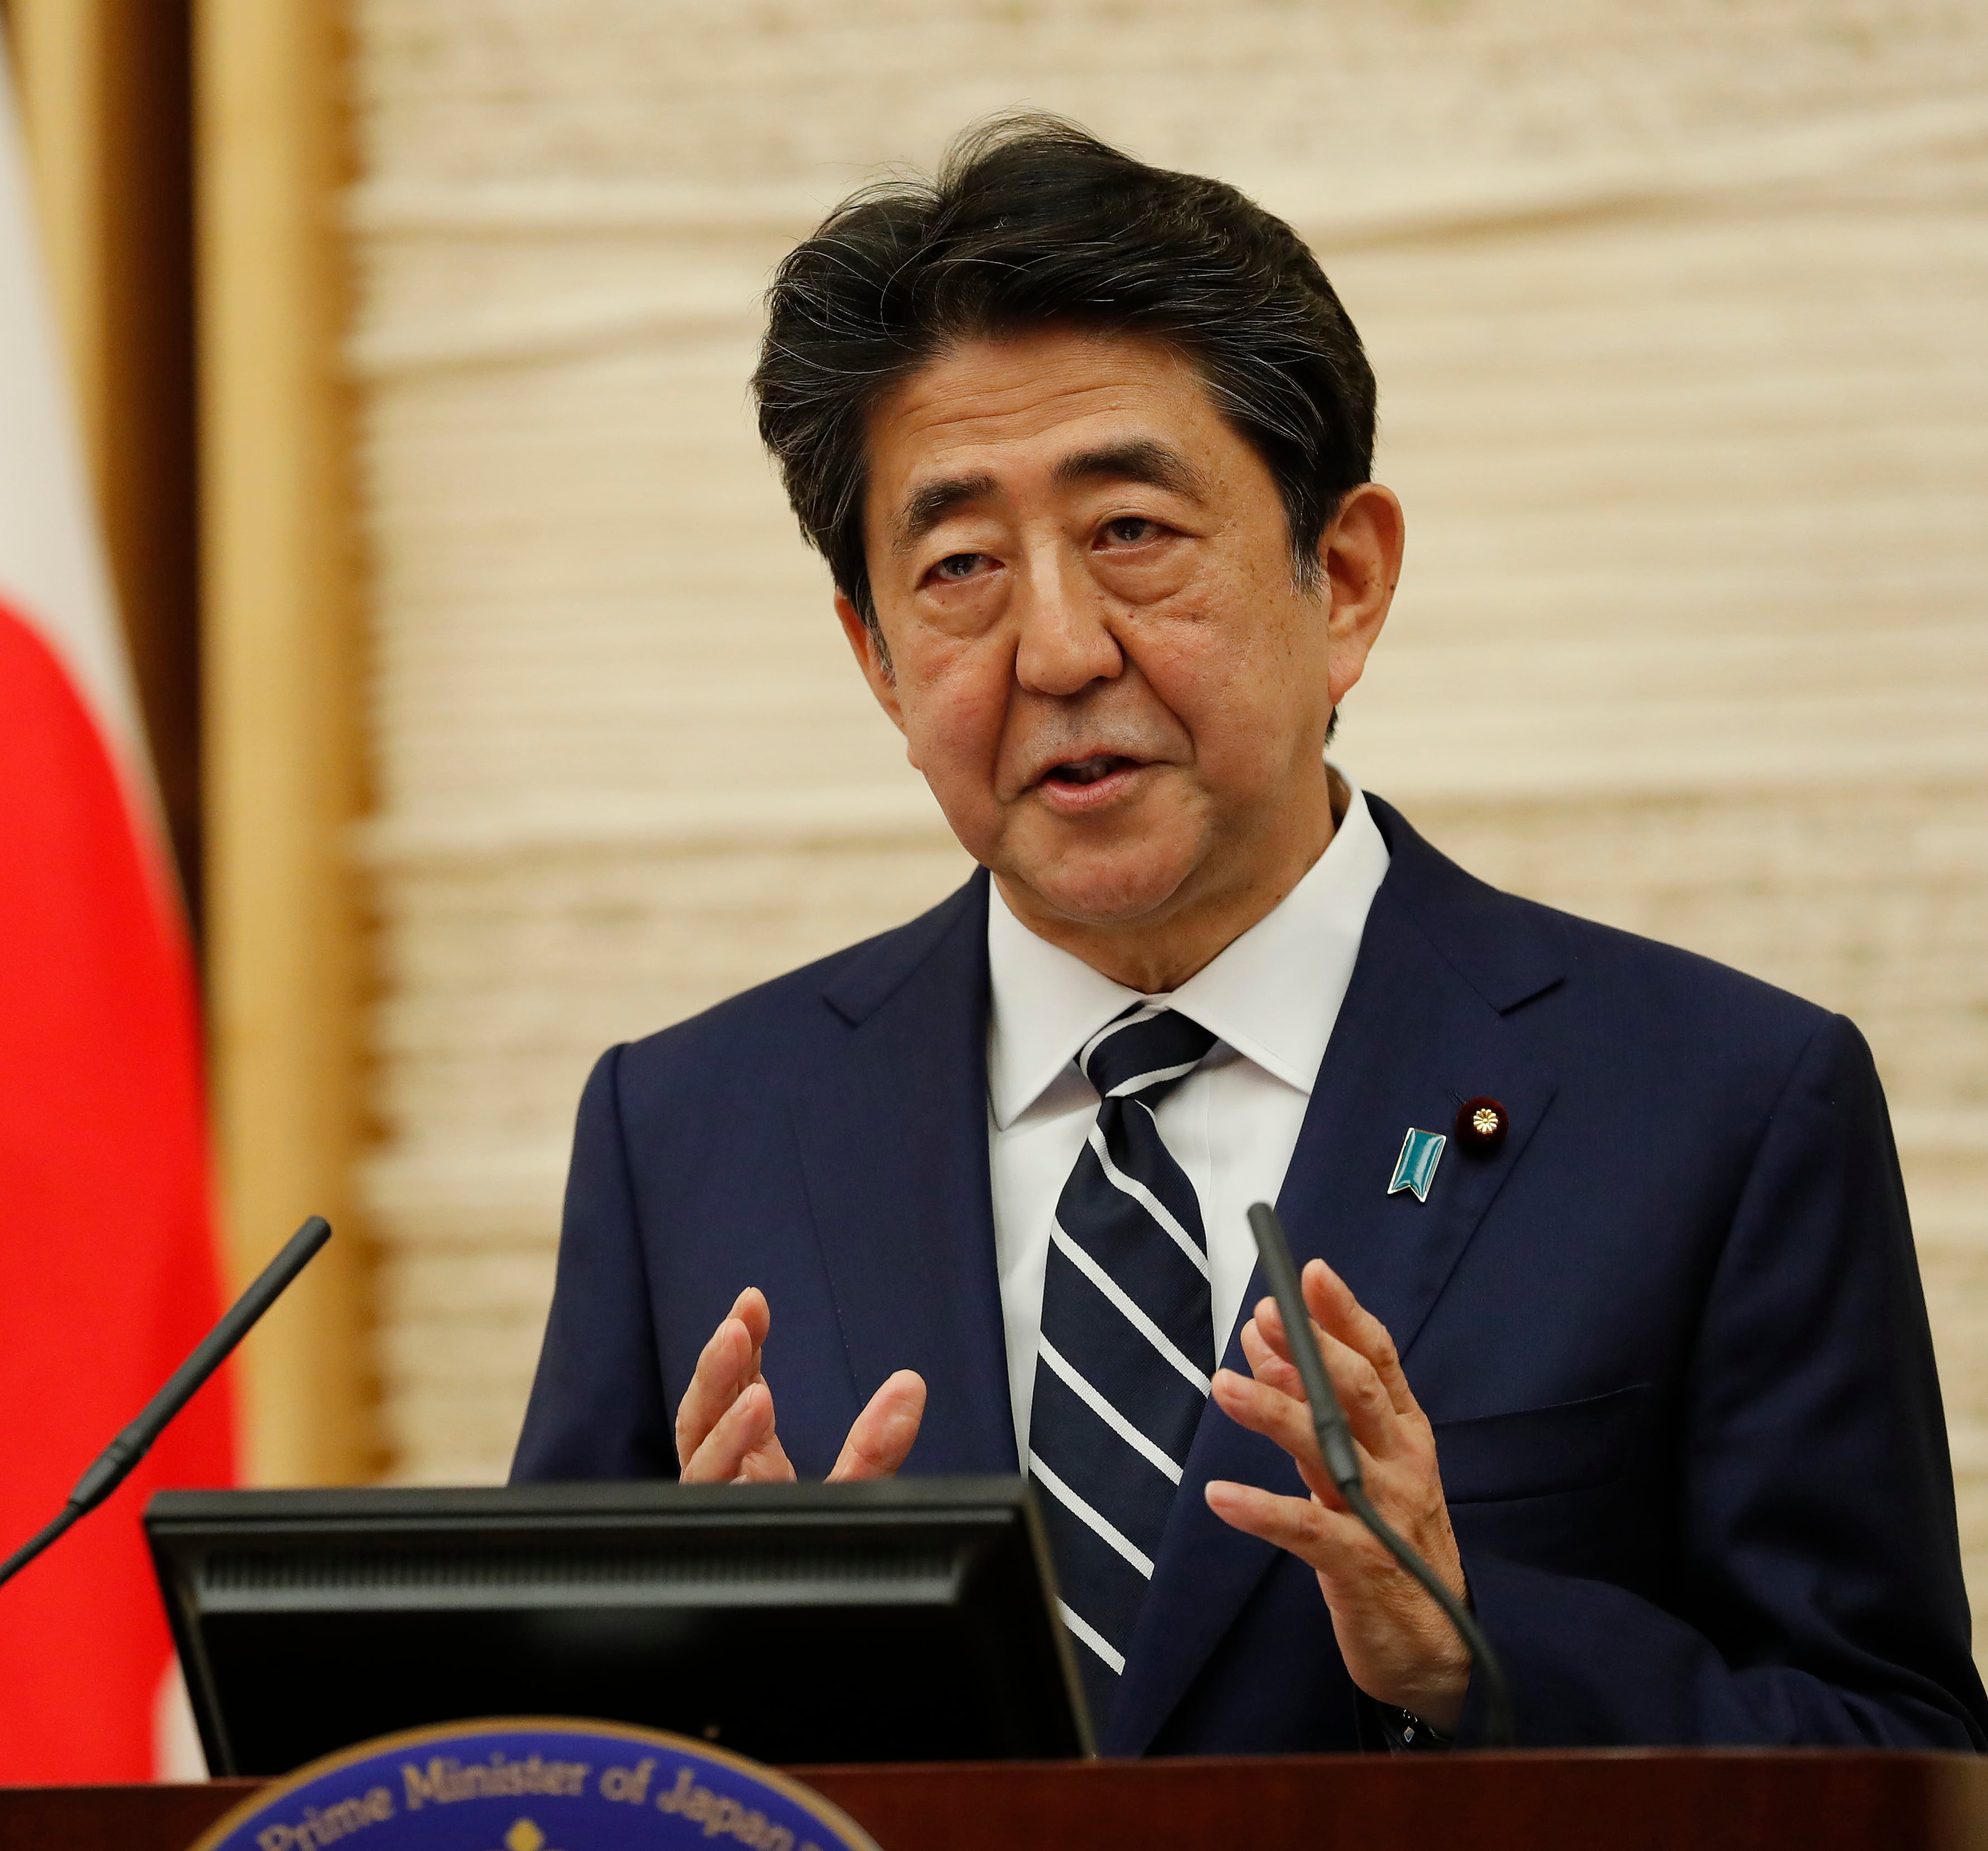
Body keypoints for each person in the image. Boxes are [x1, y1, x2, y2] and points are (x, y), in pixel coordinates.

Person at [508, 114, 1987, 1756]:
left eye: (1131, 532)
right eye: (960, 567)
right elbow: (526, 1766)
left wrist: (1473, 1641)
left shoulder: (1720, 1105)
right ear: (875, 657)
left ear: (1342, 580)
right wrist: (703, 1694)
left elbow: (1900, 1758)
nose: (1059, 646)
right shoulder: (689, 1129)